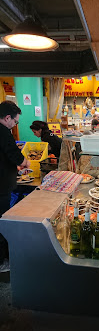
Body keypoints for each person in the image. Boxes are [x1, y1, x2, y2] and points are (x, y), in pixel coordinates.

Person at [0, 100, 30, 267]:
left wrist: (15, 169)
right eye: (16, 121)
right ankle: (2, 262)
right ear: (7, 118)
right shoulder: (4, 132)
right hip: (1, 188)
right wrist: (24, 161)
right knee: (2, 222)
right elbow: (13, 152)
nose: (15, 124)